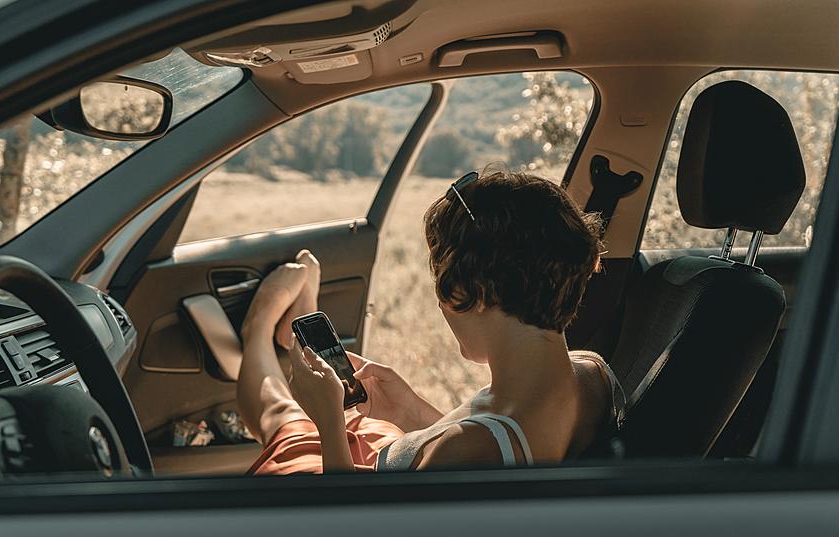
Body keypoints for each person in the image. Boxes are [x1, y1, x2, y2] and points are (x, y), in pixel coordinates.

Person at [236, 169, 625, 474]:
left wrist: (327, 424)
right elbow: (492, 463)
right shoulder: (592, 374)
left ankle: (255, 337)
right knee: (339, 418)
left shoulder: (468, 451)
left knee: (287, 421)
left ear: (468, 294)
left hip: (349, 489)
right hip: (394, 457)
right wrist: (409, 410)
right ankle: (281, 333)